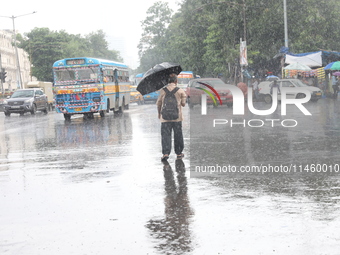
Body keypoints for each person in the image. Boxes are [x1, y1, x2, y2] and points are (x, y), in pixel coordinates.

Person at [156, 73, 187, 162]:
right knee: (178, 135)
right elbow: (184, 104)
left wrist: (159, 114)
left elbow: (159, 104)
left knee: (165, 135)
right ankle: (179, 153)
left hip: (165, 118)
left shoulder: (163, 91)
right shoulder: (180, 91)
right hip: (177, 118)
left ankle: (165, 153)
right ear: (176, 81)